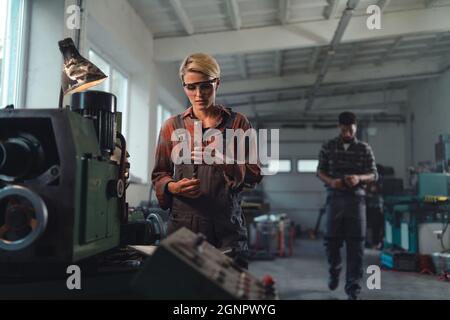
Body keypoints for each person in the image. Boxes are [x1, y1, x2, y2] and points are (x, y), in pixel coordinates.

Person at [152, 53, 262, 269]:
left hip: (226, 228)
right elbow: (159, 174)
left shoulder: (238, 124)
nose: (198, 94)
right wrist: (173, 186)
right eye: (191, 87)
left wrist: (224, 161)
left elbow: (254, 173)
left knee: (225, 292)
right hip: (183, 229)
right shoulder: (171, 126)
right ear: (183, 86)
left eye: (205, 86)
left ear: (217, 83)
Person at [317, 112, 378, 300]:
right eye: (344, 130)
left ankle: (353, 288)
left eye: (351, 130)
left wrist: (359, 177)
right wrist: (332, 181)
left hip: (356, 199)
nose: (348, 133)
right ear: (338, 127)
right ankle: (334, 271)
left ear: (356, 127)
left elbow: (374, 174)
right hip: (334, 197)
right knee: (331, 243)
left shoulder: (364, 148)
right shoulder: (328, 147)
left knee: (356, 245)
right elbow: (320, 171)